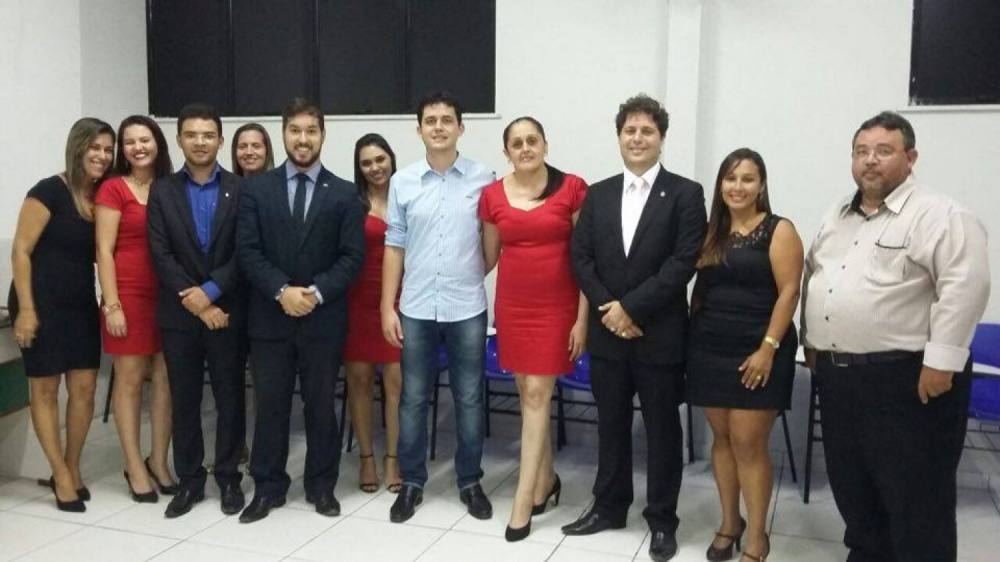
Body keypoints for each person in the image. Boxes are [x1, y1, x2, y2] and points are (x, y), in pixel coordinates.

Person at [801, 111, 990, 562]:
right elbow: (815, 275)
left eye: (884, 151)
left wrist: (941, 362)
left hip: (908, 379)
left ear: (910, 158)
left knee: (916, 496)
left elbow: (965, 286)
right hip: (841, 380)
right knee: (853, 486)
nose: (871, 160)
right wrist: (811, 341)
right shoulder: (837, 215)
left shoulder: (940, 214)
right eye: (862, 151)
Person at [566, 94, 707, 562]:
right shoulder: (599, 193)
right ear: (619, 137)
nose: (638, 138)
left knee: (663, 432)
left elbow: (683, 262)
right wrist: (611, 310)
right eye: (630, 130)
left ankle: (662, 520)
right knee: (611, 426)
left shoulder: (686, 194)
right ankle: (609, 507)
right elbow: (581, 257)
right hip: (608, 335)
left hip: (659, 335)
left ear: (661, 138)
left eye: (647, 130)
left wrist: (631, 309)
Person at [236, 97, 365, 523]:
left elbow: (351, 256)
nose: (303, 139)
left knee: (320, 406)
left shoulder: (344, 193)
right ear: (284, 134)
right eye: (295, 130)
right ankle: (268, 487)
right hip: (269, 319)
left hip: (322, 320)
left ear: (323, 135)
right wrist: (281, 291)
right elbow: (248, 250)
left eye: (311, 131)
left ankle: (321, 486)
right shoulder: (256, 190)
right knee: (270, 405)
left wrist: (314, 293)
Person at [382, 91, 495, 524]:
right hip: (415, 306)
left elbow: (491, 243)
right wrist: (387, 307)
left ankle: (470, 481)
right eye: (431, 120)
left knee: (469, 397)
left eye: (447, 120)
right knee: (413, 397)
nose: (439, 127)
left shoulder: (484, 179)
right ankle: (412, 481)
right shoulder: (403, 181)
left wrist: (471, 272)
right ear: (419, 130)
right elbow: (395, 245)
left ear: (461, 128)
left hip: (467, 306)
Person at [686, 148, 803, 562]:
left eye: (748, 179)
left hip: (760, 349)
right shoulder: (710, 231)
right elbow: (698, 289)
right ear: (721, 184)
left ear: (761, 185)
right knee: (722, 440)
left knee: (748, 444)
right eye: (731, 178)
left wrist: (768, 349)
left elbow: (790, 292)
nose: (738, 186)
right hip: (710, 349)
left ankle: (756, 537)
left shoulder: (778, 229)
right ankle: (729, 522)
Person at [479, 116, 588, 541]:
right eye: (517, 143)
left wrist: (583, 318)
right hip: (512, 307)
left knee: (539, 393)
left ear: (545, 144)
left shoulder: (572, 188)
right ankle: (546, 480)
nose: (525, 148)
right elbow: (488, 258)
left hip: (557, 308)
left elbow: (587, 260)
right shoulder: (492, 195)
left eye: (532, 140)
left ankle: (522, 501)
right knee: (527, 392)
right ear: (506, 152)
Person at [146, 103, 247, 518]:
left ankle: (229, 477)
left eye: (208, 135)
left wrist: (211, 291)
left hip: (227, 310)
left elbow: (245, 250)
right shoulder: (162, 191)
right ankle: (190, 480)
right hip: (180, 314)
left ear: (221, 140)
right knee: (184, 399)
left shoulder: (241, 189)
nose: (200, 142)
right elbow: (160, 252)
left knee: (230, 397)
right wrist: (197, 301)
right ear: (179, 140)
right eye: (191, 135)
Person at [9, 118, 115, 512]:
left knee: (84, 389)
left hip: (80, 304)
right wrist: (27, 311)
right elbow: (20, 251)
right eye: (95, 147)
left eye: (108, 149)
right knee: (46, 389)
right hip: (39, 303)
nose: (102, 156)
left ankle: (70, 467)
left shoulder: (101, 196)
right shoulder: (48, 191)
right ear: (77, 147)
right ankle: (61, 474)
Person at [95, 115, 177, 503]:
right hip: (127, 296)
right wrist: (112, 304)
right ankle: (133, 465)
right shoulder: (113, 188)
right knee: (129, 382)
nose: (138, 147)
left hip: (169, 295)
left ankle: (158, 460)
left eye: (145, 139)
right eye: (129, 142)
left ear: (158, 143)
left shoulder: (168, 186)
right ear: (122, 150)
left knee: (166, 380)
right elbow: (103, 250)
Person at [343, 133, 403, 494]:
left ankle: (393, 458)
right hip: (357, 301)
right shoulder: (351, 204)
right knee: (360, 380)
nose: (375, 167)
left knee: (396, 382)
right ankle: (366, 457)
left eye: (380, 159)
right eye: (366, 162)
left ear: (391, 159)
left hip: (399, 300)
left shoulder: (407, 196)